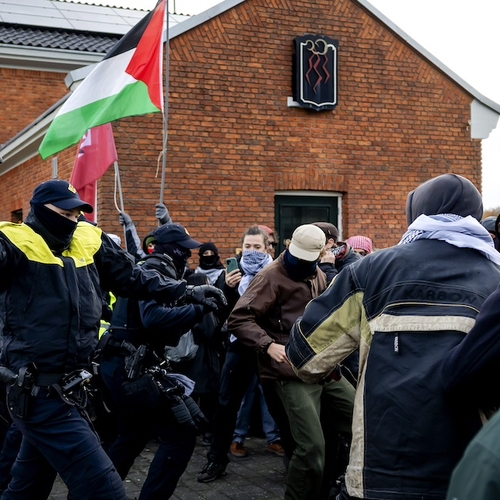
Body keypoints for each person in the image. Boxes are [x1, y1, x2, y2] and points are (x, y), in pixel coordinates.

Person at [0, 180, 225, 500]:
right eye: (65, 212)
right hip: (36, 390)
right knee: (103, 490)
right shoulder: (11, 240)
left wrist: (185, 290)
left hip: (73, 388)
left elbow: (134, 278)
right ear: (40, 210)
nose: (74, 218)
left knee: (27, 486)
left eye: (77, 212)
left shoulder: (88, 238)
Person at [286, 173, 500, 500]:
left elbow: (305, 356)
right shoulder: (496, 280)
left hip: (378, 476)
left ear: (416, 213)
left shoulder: (371, 270)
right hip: (465, 479)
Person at [229, 224, 356, 500]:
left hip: (323, 367)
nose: (300, 264)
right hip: (288, 372)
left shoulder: (319, 274)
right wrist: (268, 345)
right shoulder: (271, 276)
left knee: (362, 421)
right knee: (311, 449)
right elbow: (238, 319)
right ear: (288, 247)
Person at [100, 222, 216, 499]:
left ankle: (94, 492)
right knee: (181, 436)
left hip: (122, 366)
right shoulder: (154, 269)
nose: (188, 256)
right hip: (131, 369)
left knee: (133, 435)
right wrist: (198, 309)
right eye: (184, 250)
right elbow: (152, 318)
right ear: (170, 250)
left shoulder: (149, 268)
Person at [197, 225, 282, 483]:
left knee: (281, 404)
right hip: (239, 348)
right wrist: (226, 287)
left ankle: (295, 460)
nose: (252, 251)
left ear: (267, 248)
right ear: (240, 248)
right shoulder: (231, 275)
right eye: (248, 247)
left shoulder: (277, 272)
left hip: (268, 347)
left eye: (257, 247)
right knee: (226, 405)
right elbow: (219, 316)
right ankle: (216, 459)